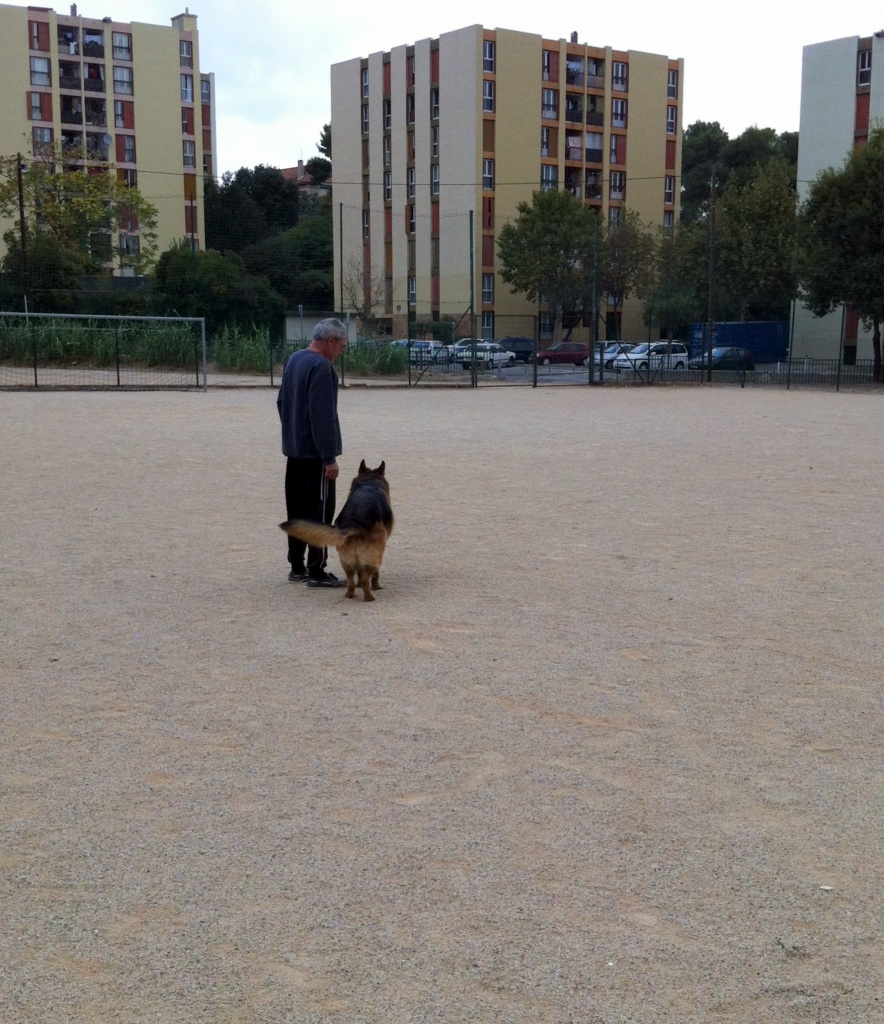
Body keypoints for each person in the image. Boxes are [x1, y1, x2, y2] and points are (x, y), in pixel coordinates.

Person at [277, 318, 348, 588]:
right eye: (341, 346)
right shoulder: (321, 367)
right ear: (330, 341)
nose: (341, 351)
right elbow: (322, 417)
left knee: (296, 510)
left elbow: (282, 402)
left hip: (293, 452)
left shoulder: (294, 359)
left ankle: (297, 566)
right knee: (319, 513)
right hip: (315, 456)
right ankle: (317, 571)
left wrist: (292, 432)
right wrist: (328, 457)